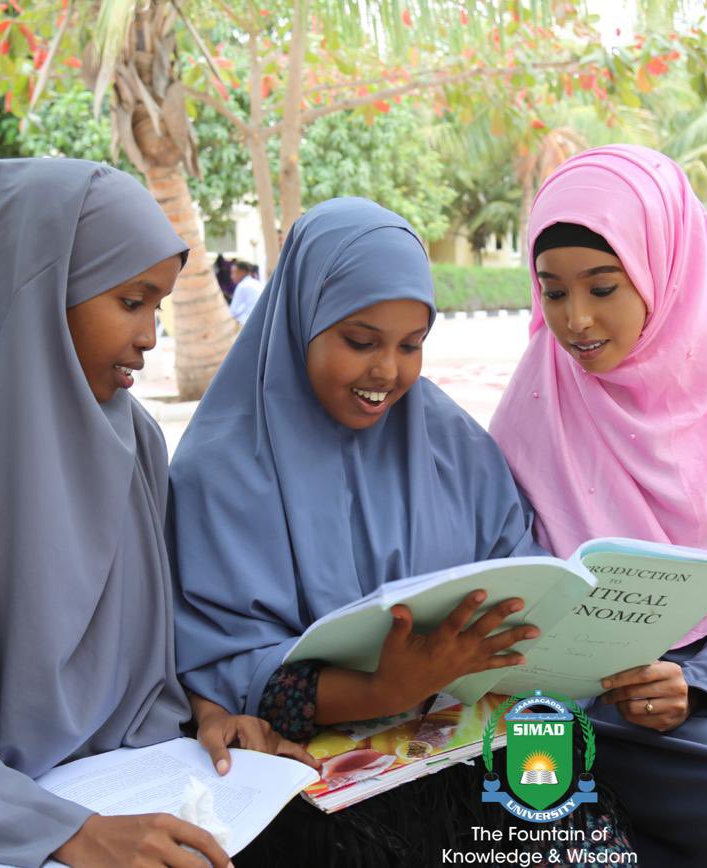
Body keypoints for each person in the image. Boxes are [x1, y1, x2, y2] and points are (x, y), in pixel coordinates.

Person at [167, 198, 630, 866]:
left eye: (411, 346)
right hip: (308, 769)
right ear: (301, 322)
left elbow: (519, 581)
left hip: (466, 738)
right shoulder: (219, 470)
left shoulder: (452, 443)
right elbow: (215, 661)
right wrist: (383, 691)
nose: (387, 372)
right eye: (360, 341)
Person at [0, 158, 313, 867]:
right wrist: (64, 833)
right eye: (131, 300)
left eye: (159, 304)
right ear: (32, 290)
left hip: (124, 793)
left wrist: (206, 713)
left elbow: (141, 666)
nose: (153, 336)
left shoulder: (135, 444)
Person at [489, 144, 707, 867]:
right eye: (553, 292)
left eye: (603, 286)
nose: (576, 321)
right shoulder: (535, 405)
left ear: (664, 273)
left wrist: (699, 685)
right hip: (569, 709)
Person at [228, 259, 264, 325]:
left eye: (233, 273)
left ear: (242, 272)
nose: (231, 277)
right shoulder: (257, 283)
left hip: (248, 323)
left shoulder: (242, 286)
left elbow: (233, 311)